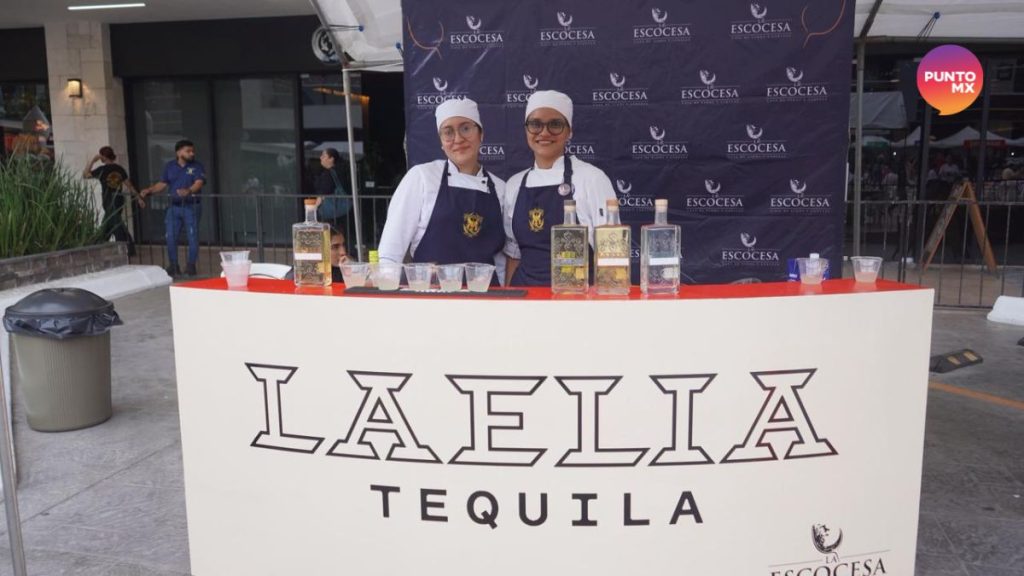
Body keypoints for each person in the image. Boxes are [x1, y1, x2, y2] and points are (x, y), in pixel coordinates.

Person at [377, 98, 506, 272]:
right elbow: (390, 252)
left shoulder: (500, 188)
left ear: (481, 134)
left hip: (486, 288)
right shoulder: (422, 177)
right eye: (448, 132)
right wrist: (387, 282)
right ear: (441, 142)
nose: (458, 139)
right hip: (432, 288)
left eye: (466, 128)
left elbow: (501, 260)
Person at [503, 90, 616, 286]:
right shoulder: (515, 184)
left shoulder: (592, 179)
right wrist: (507, 296)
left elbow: (610, 256)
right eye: (535, 124)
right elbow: (514, 256)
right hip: (523, 295)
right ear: (526, 129)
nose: (544, 132)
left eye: (555, 124)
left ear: (569, 131)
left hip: (574, 297)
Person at [140, 140, 206, 277]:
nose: (192, 153)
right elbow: (162, 184)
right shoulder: (170, 166)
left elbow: (199, 182)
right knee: (170, 236)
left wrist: (189, 190)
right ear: (178, 152)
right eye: (188, 151)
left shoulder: (197, 166)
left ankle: (191, 266)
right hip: (174, 207)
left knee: (192, 237)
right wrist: (149, 190)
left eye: (192, 151)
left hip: (191, 206)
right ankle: (173, 265)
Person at [83, 146, 142, 256]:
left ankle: (127, 247)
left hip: (109, 200)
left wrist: (92, 161)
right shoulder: (119, 169)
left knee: (116, 224)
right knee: (111, 223)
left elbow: (85, 175)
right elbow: (129, 185)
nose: (100, 157)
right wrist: (138, 198)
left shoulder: (102, 170)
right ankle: (99, 244)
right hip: (118, 200)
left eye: (101, 155)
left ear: (104, 156)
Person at [315, 148, 351, 224]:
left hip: (330, 210)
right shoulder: (340, 171)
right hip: (342, 210)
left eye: (324, 156)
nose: (320, 158)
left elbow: (325, 191)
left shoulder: (329, 173)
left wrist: (315, 206)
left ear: (331, 159)